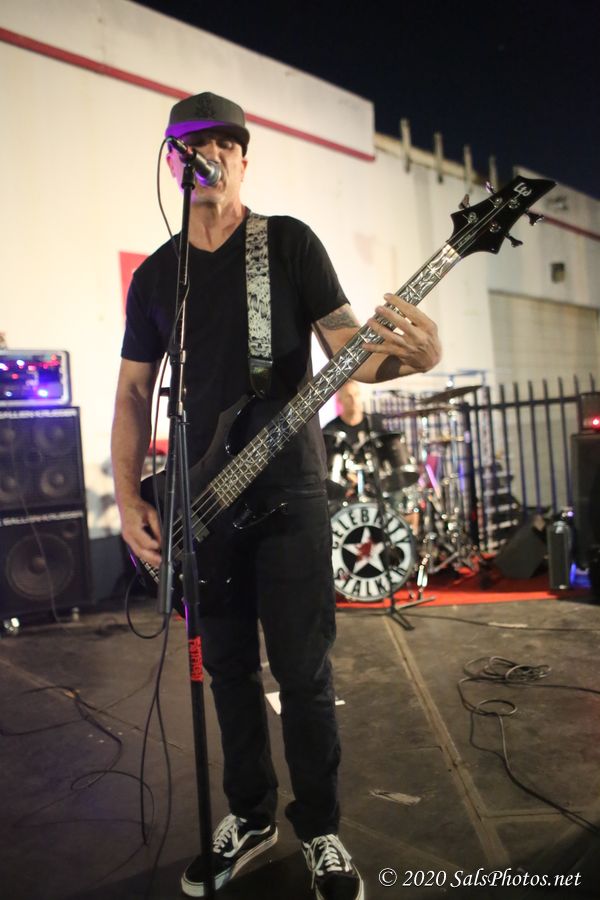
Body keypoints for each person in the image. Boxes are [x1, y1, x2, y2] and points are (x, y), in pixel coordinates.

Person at [111, 91, 441, 900]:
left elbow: (352, 351)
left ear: (245, 157)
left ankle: (321, 827)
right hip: (202, 502)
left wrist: (413, 359)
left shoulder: (287, 245)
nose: (211, 155)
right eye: (195, 144)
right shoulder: (157, 278)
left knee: (303, 672)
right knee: (225, 669)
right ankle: (251, 815)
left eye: (226, 143)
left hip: (291, 492)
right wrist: (128, 498)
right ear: (173, 159)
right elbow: (133, 393)